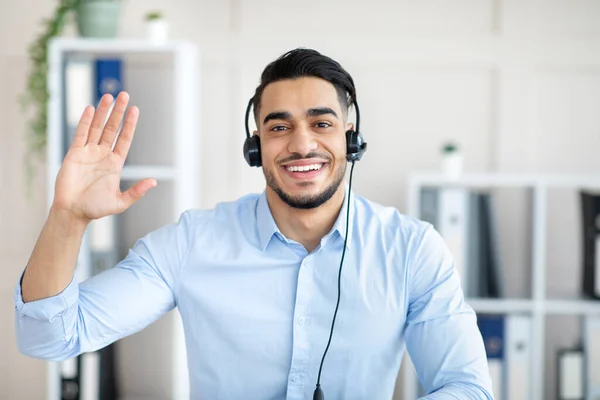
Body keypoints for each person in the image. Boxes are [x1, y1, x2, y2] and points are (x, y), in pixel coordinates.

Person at [14, 48, 494, 400]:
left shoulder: (411, 249)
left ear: (352, 140)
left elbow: (467, 388)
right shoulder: (191, 244)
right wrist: (68, 217)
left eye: (321, 123)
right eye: (279, 126)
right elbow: (50, 337)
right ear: (255, 147)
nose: (301, 144)